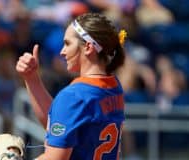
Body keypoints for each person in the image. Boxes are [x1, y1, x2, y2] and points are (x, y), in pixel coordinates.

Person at [16, 12, 126, 160]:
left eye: (67, 43)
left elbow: (55, 158)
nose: (62, 51)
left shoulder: (74, 95)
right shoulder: (113, 87)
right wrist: (32, 79)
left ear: (88, 47)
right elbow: (61, 121)